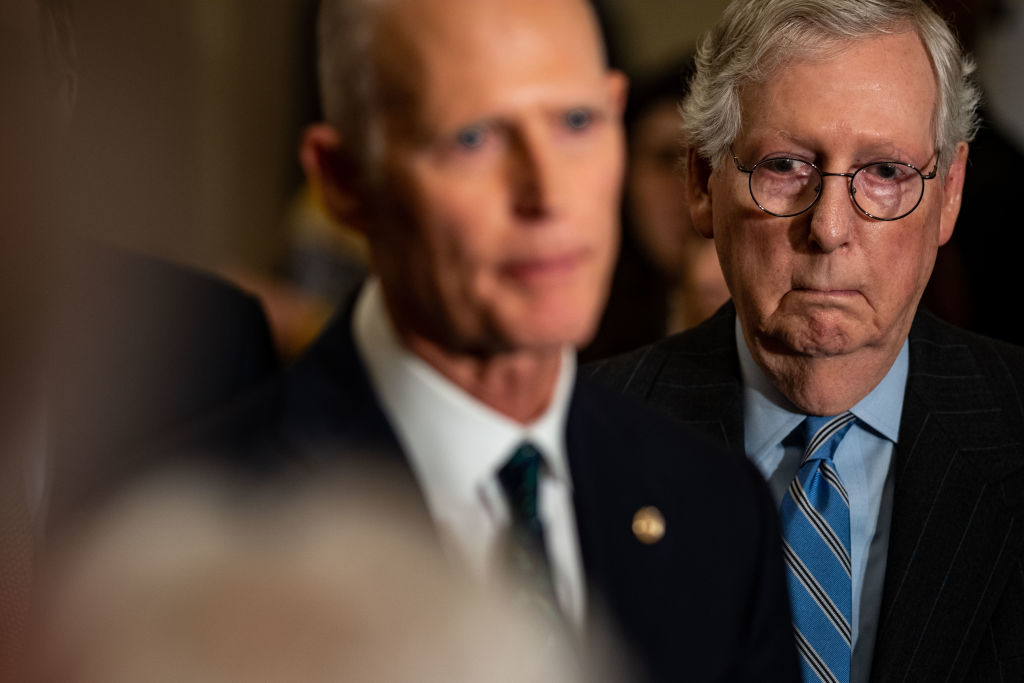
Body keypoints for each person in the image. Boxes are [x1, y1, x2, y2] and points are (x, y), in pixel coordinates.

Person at [196, 0, 799, 680]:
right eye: (472, 138)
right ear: (344, 180)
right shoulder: (198, 535)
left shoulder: (716, 508)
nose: (548, 193)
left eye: (576, 123)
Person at [589, 1, 1024, 681]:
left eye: (886, 172)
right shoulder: (582, 442)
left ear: (950, 193)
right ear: (701, 182)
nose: (829, 228)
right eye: (785, 165)